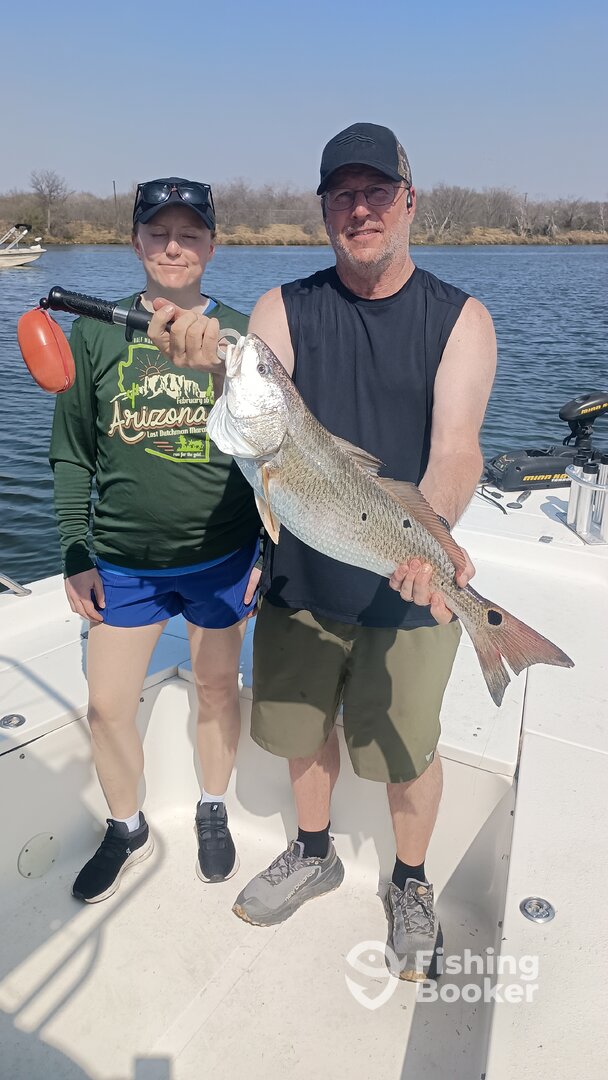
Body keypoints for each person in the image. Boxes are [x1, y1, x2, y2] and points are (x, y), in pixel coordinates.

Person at [158, 124, 497, 981]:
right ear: (323, 210)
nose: (360, 209)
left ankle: (411, 882)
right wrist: (210, 366)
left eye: (377, 191)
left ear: (409, 201)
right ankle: (313, 852)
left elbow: (457, 451)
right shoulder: (283, 308)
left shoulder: (461, 318)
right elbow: (257, 406)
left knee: (407, 754)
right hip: (302, 574)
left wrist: (432, 540)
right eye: (343, 194)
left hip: (405, 581)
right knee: (300, 734)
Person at [49, 177, 262, 903]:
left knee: (217, 688)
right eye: (159, 233)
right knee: (107, 706)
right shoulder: (94, 332)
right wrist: (74, 551)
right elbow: (72, 451)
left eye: (190, 234)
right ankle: (126, 825)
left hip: (222, 556)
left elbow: (273, 455)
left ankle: (212, 804)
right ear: (135, 242)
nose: (174, 247)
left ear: (213, 246)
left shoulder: (242, 336)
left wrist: (270, 551)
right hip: (123, 562)